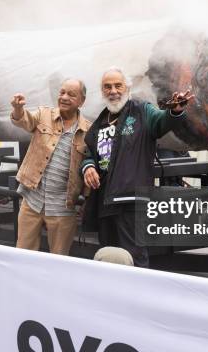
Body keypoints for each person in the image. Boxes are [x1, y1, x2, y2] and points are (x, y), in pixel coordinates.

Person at [81, 67, 194, 267]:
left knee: (135, 256)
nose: (113, 91)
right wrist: (89, 166)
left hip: (131, 199)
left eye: (118, 85)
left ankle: (139, 294)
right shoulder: (101, 121)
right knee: (109, 255)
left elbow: (161, 121)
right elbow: (89, 151)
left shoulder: (142, 110)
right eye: (107, 87)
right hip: (106, 200)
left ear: (127, 88)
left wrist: (176, 111)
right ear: (102, 91)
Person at [10, 78, 91, 256]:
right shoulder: (44, 114)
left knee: (58, 259)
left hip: (63, 207)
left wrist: (86, 200)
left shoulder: (88, 131)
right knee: (22, 255)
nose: (64, 97)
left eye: (71, 94)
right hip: (32, 200)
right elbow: (25, 120)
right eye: (62, 92)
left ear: (82, 101)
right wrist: (18, 109)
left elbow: (89, 164)